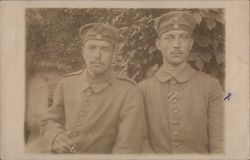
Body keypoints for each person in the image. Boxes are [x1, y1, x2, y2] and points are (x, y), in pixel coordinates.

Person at [39, 23, 144, 153]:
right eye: (92, 48)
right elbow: (49, 120)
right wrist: (55, 136)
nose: (97, 55)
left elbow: (126, 147)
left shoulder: (129, 91)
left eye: (105, 49)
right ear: (83, 52)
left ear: (114, 54)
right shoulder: (67, 83)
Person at [139, 11, 224, 154]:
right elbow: (140, 140)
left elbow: (220, 143)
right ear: (159, 44)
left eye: (183, 38)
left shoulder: (211, 87)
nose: (176, 45)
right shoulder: (142, 89)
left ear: (190, 44)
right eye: (169, 38)